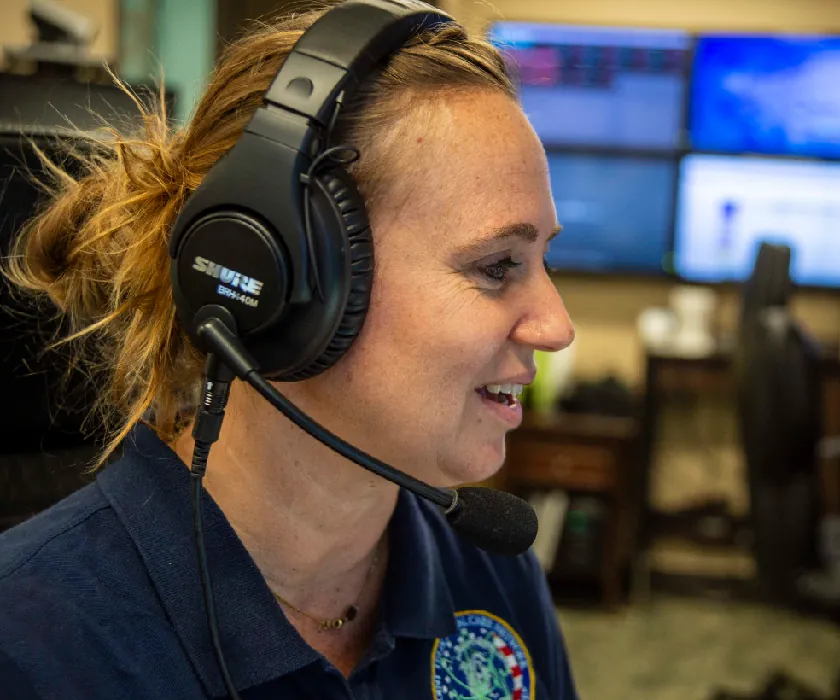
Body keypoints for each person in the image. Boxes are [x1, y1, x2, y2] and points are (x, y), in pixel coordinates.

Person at [0, 2, 578, 698]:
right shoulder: (32, 643)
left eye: (544, 260)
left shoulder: (491, 577)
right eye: (496, 266)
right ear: (286, 280)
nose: (555, 324)